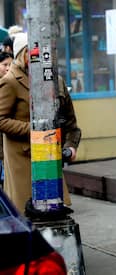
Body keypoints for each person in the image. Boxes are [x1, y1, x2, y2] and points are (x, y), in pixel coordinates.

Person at [0, 32, 81, 214]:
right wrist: (34, 129)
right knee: (26, 214)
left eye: (48, 50)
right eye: (35, 51)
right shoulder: (10, 82)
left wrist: (71, 146)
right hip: (22, 161)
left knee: (53, 214)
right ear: (23, 54)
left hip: (50, 159)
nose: (44, 56)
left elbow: (70, 122)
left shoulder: (56, 81)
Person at [0, 51, 13, 189]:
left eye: (11, 64)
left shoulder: (12, 83)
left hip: (6, 147)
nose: (8, 68)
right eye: (5, 65)